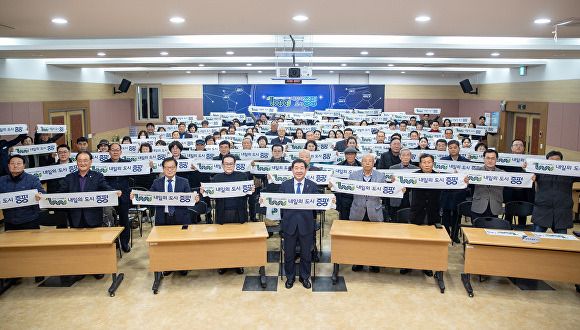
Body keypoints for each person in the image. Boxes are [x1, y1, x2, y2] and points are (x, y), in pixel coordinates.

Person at [201, 154, 254, 275]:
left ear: (235, 165)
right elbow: (210, 196)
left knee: (238, 241)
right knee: (223, 241)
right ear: (222, 165)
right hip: (222, 213)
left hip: (238, 213)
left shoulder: (242, 176)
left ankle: (239, 264)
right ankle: (223, 264)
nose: (229, 166)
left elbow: (247, 194)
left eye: (231, 164)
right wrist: (205, 192)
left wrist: (251, 190)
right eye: (226, 164)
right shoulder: (216, 178)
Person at [277, 159, 319, 289]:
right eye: (296, 168)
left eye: (302, 168)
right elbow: (276, 201)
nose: (299, 171)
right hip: (289, 225)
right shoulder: (285, 185)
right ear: (292, 170)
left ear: (306, 170)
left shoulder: (312, 185)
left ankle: (304, 276)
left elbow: (318, 203)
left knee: (306, 254)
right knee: (289, 254)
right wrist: (265, 200)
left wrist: (330, 200)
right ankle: (290, 277)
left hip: (306, 225)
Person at [58, 151, 121, 229]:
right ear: (76, 162)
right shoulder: (69, 177)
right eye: (80, 161)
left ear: (90, 162)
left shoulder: (98, 176)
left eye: (85, 160)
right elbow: (60, 193)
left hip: (94, 216)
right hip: (75, 217)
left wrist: (115, 192)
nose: (82, 163)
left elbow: (106, 187)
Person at [526, 151, 578, 233]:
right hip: (542, 209)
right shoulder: (539, 171)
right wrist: (526, 169)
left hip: (562, 211)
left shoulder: (569, 172)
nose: (554, 161)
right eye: (551, 159)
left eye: (557, 159)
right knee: (537, 238)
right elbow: (527, 176)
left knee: (561, 241)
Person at [0, 155, 45, 230]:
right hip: (9, 221)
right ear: (8, 166)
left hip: (30, 221)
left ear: (24, 166)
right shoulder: (1, 180)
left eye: (18, 163)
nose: (15, 166)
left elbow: (43, 195)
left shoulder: (33, 179)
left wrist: (40, 195)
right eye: (12, 163)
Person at [103, 143, 132, 252]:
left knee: (124, 220)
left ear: (121, 152)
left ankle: (125, 243)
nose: (115, 152)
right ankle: (114, 242)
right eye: (113, 150)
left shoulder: (127, 163)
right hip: (109, 197)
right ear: (109, 151)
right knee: (110, 221)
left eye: (117, 150)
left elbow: (140, 174)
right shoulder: (103, 165)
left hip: (124, 196)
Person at [440, 140, 470, 243]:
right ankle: (446, 234)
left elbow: (469, 177)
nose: (453, 149)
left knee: (457, 216)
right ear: (448, 149)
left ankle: (455, 235)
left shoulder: (465, 162)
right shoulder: (443, 161)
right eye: (451, 148)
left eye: (455, 147)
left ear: (459, 149)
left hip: (459, 193)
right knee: (446, 215)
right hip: (447, 193)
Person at [502, 139, 535, 226]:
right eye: (516, 145)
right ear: (512, 148)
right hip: (510, 191)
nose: (518, 147)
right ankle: (507, 231)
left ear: (524, 148)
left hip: (524, 191)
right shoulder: (506, 160)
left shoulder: (530, 161)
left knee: (522, 214)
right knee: (508, 214)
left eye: (520, 145)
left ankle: (521, 230)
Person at [471, 149, 505, 220]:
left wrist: (528, 179)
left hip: (494, 206)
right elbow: (466, 185)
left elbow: (515, 185)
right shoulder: (476, 172)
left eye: (493, 158)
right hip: (479, 205)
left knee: (492, 229)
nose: (490, 161)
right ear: (484, 159)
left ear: (496, 159)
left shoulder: (502, 173)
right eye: (488, 158)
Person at [389, 149, 418, 221]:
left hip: (411, 198)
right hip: (397, 198)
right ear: (400, 157)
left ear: (411, 156)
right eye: (403, 155)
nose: (405, 157)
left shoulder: (416, 169)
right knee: (395, 221)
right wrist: (391, 182)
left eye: (407, 155)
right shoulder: (392, 168)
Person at [336, 147, 361, 220]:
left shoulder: (361, 166)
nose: (350, 156)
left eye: (352, 154)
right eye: (348, 154)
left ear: (355, 155)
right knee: (344, 218)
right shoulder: (338, 166)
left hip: (357, 196)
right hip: (344, 197)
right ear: (345, 155)